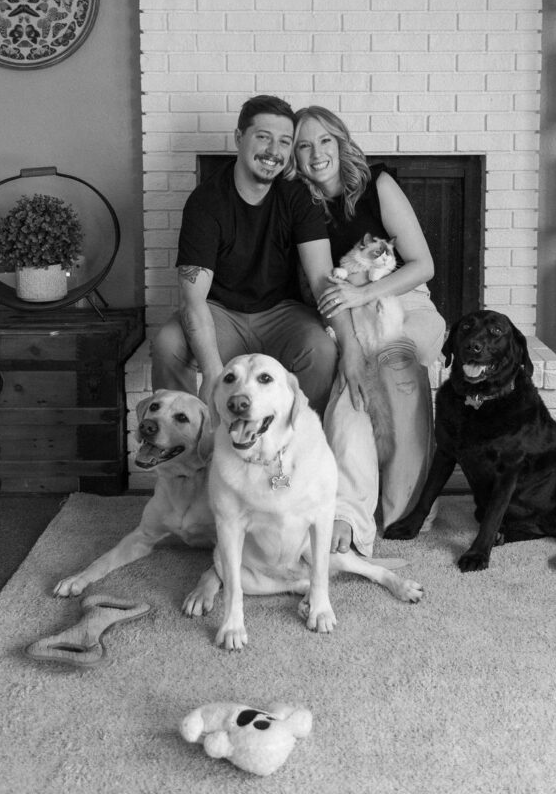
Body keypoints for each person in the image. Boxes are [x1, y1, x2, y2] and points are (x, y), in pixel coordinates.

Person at [293, 106, 447, 557]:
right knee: (354, 381)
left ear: (340, 142)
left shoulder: (377, 185)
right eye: (304, 145)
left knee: (393, 358)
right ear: (295, 158)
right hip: (347, 315)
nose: (316, 153)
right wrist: (352, 318)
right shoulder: (299, 204)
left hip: (407, 304)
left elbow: (423, 265)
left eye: (324, 141)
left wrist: (365, 293)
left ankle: (407, 504)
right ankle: (351, 512)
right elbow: (319, 285)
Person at [151, 95, 365, 417]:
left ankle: (296, 447)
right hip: (221, 314)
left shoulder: (297, 198)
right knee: (169, 343)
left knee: (321, 348)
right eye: (263, 137)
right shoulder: (206, 202)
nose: (273, 151)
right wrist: (211, 372)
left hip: (282, 315)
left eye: (284, 142)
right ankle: (187, 448)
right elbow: (192, 300)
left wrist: (350, 347)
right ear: (239, 138)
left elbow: (323, 283)